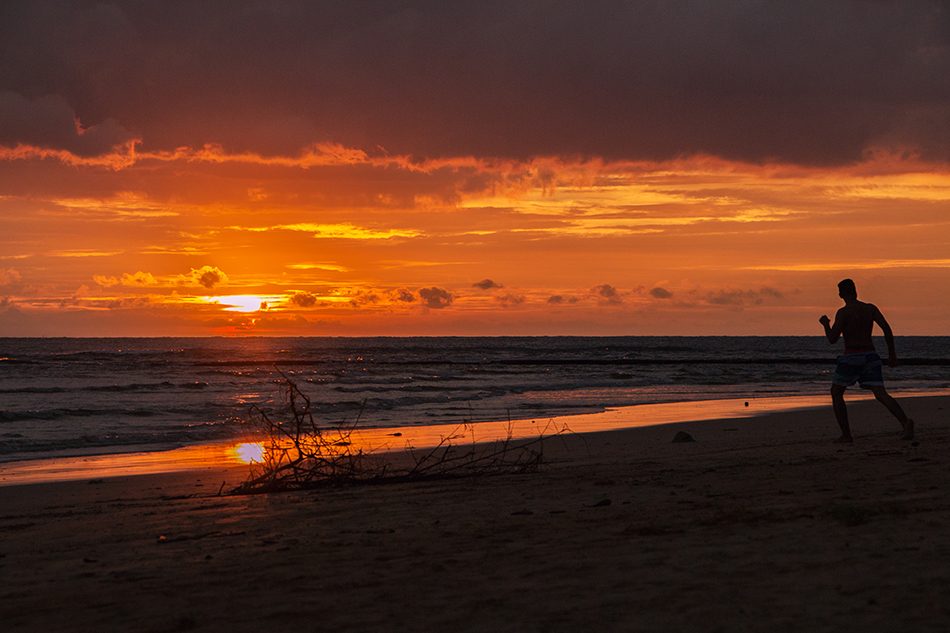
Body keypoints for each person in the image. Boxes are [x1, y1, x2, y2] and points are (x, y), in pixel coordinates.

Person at [819, 279, 914, 443]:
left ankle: (846, 434)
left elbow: (833, 339)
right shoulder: (870, 308)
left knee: (836, 392)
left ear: (841, 294)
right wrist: (892, 354)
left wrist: (826, 325)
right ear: (855, 291)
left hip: (852, 356)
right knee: (881, 393)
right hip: (870, 355)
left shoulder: (844, 312)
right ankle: (905, 422)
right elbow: (886, 329)